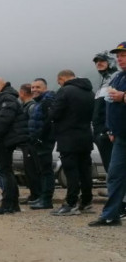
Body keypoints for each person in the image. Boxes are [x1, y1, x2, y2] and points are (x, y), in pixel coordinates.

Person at [88, 42, 126, 226]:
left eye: (123, 55)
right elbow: (110, 107)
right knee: (114, 175)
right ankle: (111, 215)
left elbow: (118, 99)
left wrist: (123, 97)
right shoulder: (117, 77)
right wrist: (110, 129)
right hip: (120, 137)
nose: (120, 59)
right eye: (118, 56)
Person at [49, 69, 95, 215]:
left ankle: (71, 202)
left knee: (71, 171)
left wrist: (50, 111)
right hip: (86, 136)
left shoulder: (65, 91)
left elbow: (54, 113)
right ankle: (86, 201)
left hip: (68, 137)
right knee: (85, 170)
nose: (59, 84)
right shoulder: (90, 92)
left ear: (62, 79)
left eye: (59, 82)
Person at [0, 77, 29, 214]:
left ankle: (7, 204)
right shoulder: (2, 97)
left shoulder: (7, 98)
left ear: (3, 85)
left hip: (4, 140)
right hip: (5, 139)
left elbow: (5, 120)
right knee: (7, 171)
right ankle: (13, 204)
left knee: (5, 172)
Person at [28, 78, 57, 209]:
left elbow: (49, 123)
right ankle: (42, 197)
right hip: (38, 142)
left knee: (46, 171)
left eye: (38, 87)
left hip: (44, 142)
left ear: (45, 88)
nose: (34, 89)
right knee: (42, 170)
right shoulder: (39, 102)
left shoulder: (47, 102)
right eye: (33, 87)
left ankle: (46, 200)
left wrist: (41, 138)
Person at [91, 51, 116, 172]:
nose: (98, 63)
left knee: (114, 168)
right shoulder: (102, 82)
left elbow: (114, 107)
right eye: (96, 61)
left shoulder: (116, 78)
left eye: (102, 60)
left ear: (110, 62)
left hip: (108, 133)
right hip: (100, 133)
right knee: (109, 167)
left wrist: (108, 130)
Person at [18, 83, 41, 204]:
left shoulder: (30, 107)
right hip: (27, 142)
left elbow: (33, 125)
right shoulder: (27, 106)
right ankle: (34, 194)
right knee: (29, 170)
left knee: (33, 170)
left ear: (22, 93)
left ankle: (36, 195)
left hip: (30, 143)